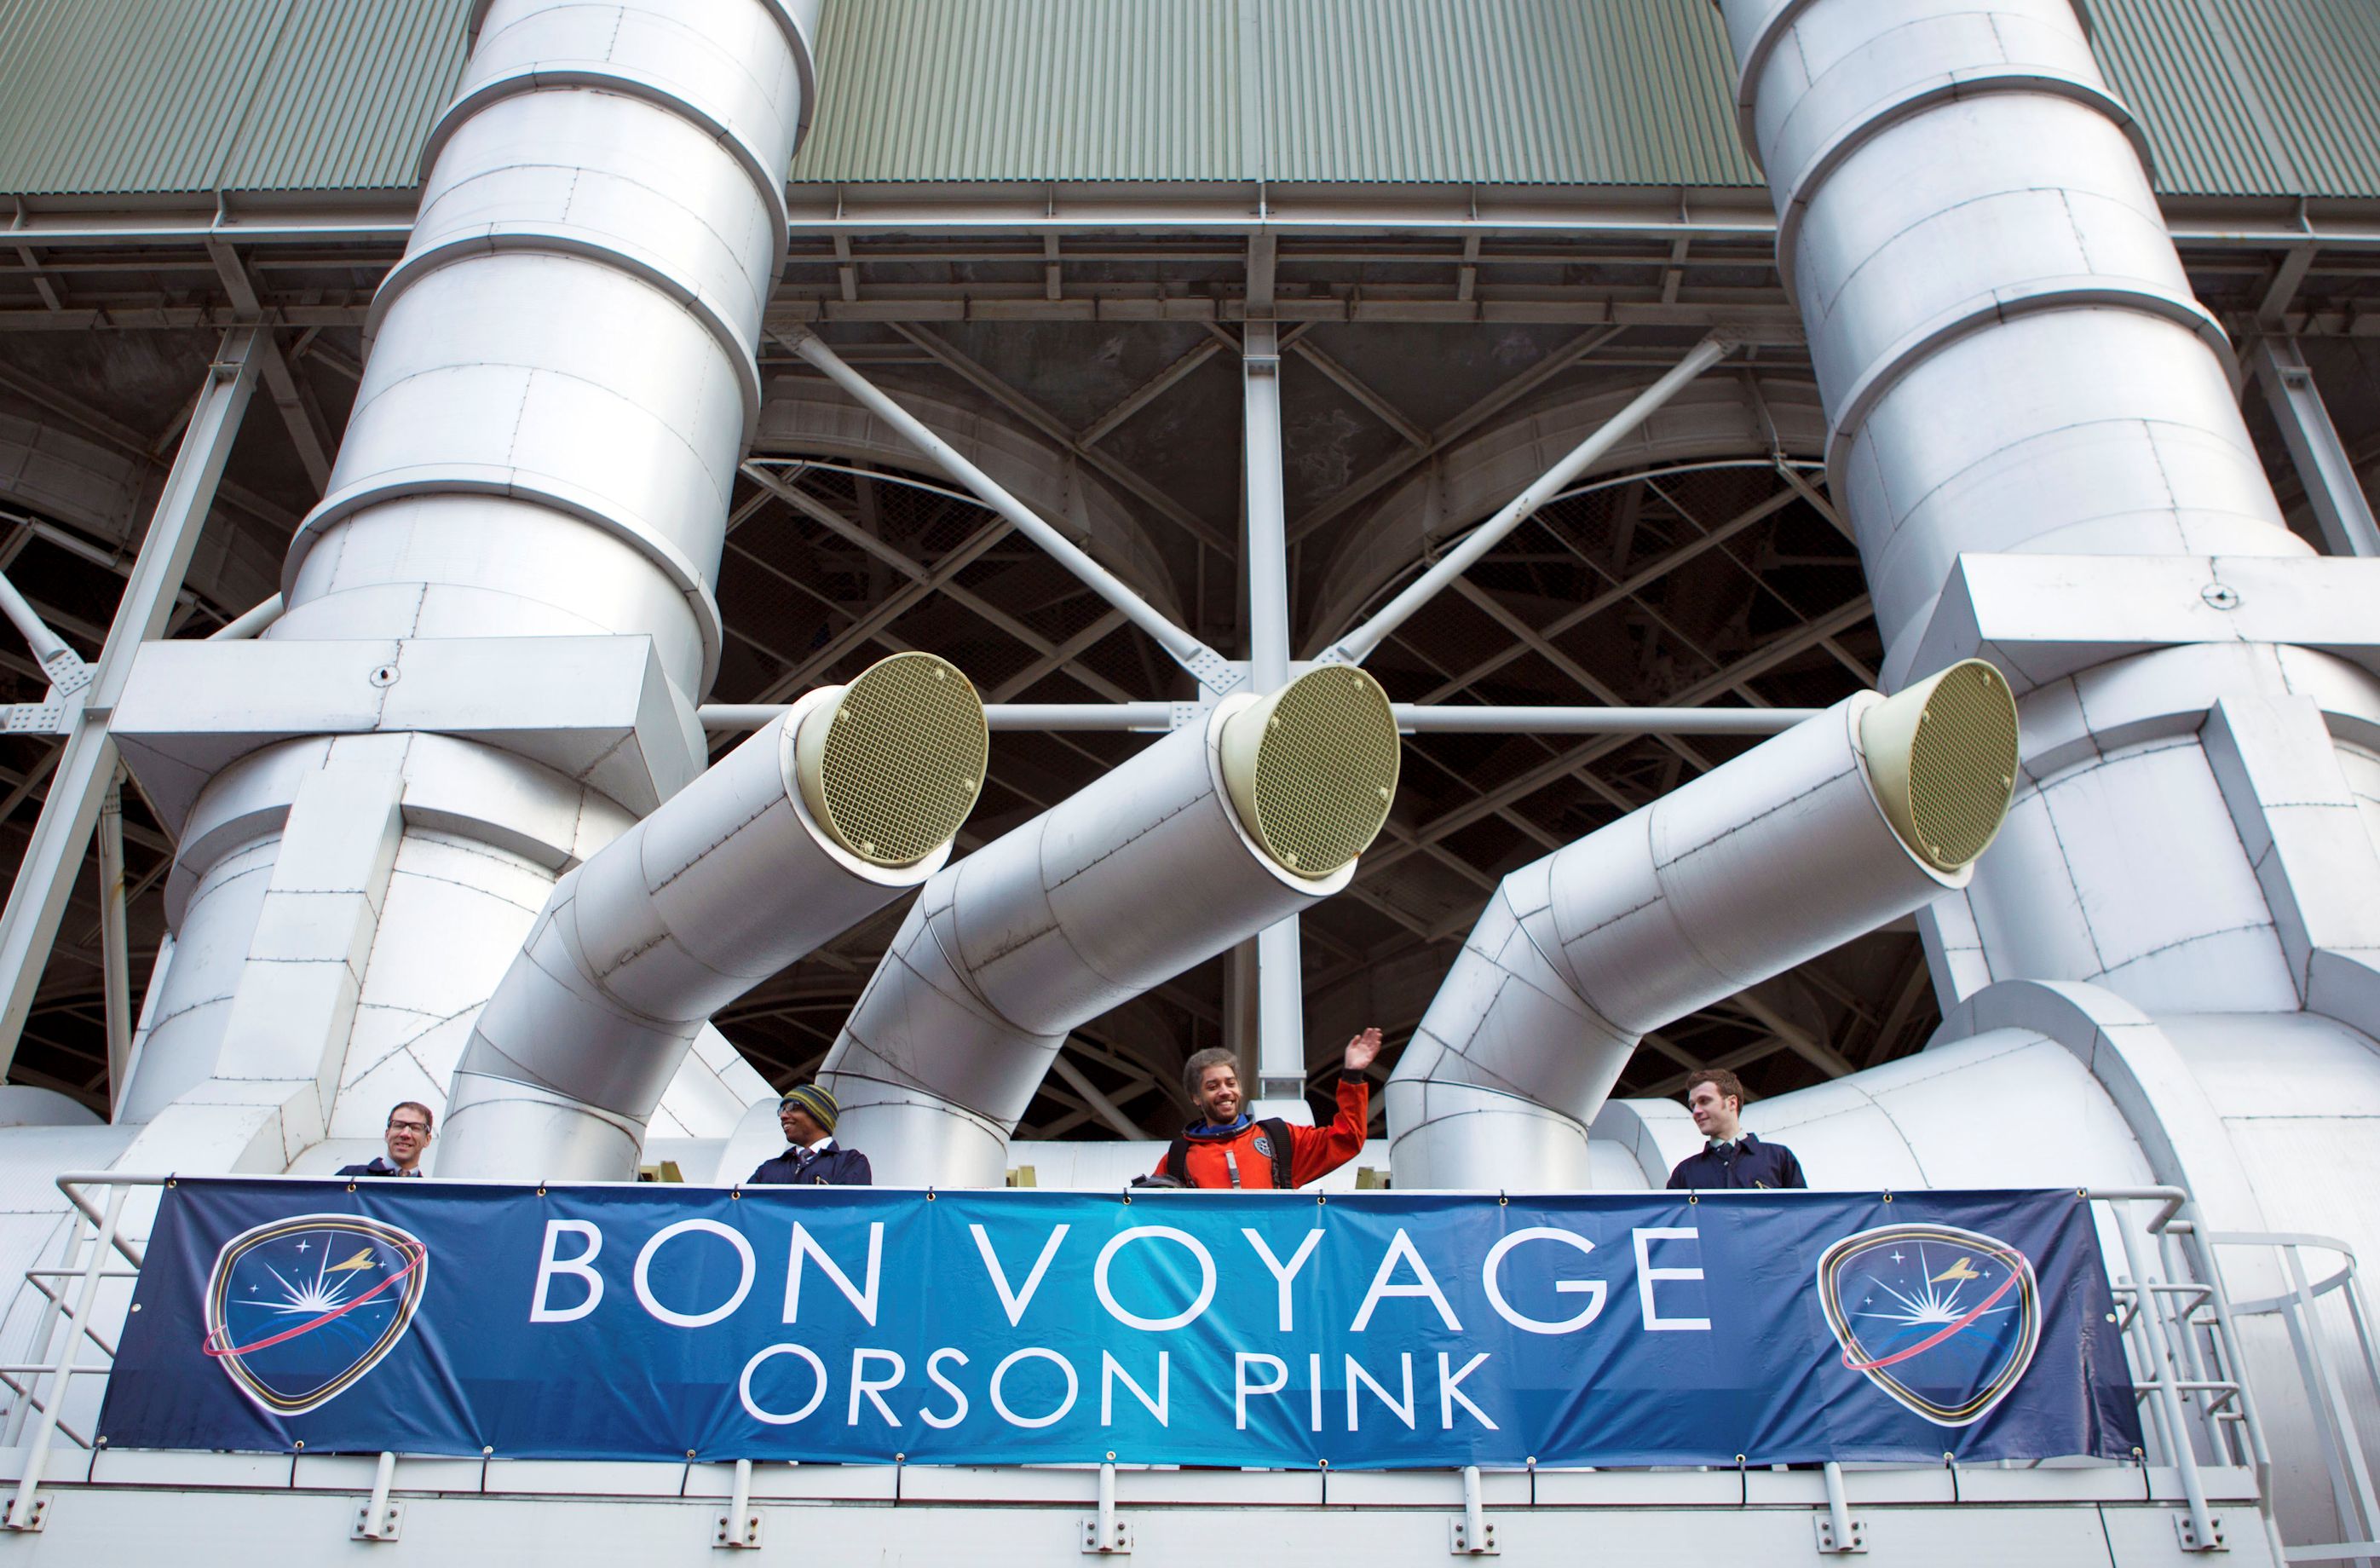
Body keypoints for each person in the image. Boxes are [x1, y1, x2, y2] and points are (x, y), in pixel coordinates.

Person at [1151, 1028, 1381, 1190]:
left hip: (1275, 1246)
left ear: (1240, 1088)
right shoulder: (1178, 1158)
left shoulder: (1279, 1140)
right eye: (1212, 1086)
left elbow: (1347, 1139)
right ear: (1196, 1098)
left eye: (1231, 1083)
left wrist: (1352, 1076)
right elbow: (1150, 1214)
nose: (1224, 1091)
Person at [1665, 1068, 1806, 1190]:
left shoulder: (1779, 1158)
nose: (1696, 1111)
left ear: (1732, 1103)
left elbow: (1802, 1210)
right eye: (1692, 1105)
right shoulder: (1684, 1173)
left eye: (1704, 1101)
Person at [747, 1082, 873, 1185]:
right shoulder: (768, 1169)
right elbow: (744, 1205)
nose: (783, 1116)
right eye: (782, 1110)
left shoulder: (850, 1162)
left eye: (792, 1107)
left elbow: (850, 1207)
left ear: (819, 1115)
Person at [339, 1102, 433, 1177]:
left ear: (427, 1140)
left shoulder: (430, 1192)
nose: (405, 1134)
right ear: (387, 1134)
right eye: (399, 1125)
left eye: (415, 1127)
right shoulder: (349, 1178)